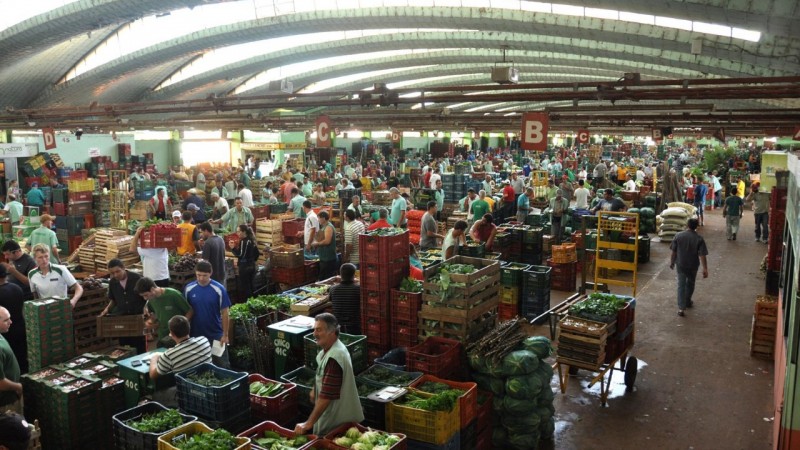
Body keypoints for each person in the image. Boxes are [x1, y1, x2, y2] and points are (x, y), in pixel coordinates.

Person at [294, 313, 364, 436]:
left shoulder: (335, 357)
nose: (314, 334)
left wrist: (308, 423)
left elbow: (326, 396)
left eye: (319, 330)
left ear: (332, 332)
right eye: (314, 329)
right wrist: (315, 388)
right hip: (332, 417)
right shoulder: (329, 351)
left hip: (337, 423)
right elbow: (324, 378)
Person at [148, 315, 211, 406]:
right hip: (207, 386)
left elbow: (153, 375)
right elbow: (189, 352)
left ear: (172, 334)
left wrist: (154, 358)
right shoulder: (204, 340)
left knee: (156, 396)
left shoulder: (170, 355)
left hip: (189, 394)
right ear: (189, 328)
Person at [185, 260, 232, 368]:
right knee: (200, 366)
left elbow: (225, 313)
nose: (201, 278)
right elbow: (187, 311)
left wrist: (225, 335)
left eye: (204, 275)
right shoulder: (189, 289)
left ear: (210, 273)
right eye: (198, 275)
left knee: (222, 365)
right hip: (195, 336)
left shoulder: (219, 289)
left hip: (216, 335)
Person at [101, 259, 146, 353]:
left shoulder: (137, 279)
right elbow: (113, 300)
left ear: (124, 268)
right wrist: (106, 310)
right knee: (124, 346)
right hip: (122, 319)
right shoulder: (113, 282)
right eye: (112, 273)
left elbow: (146, 297)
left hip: (137, 317)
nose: (116, 275)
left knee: (139, 345)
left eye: (118, 271)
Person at [136, 277, 192, 349]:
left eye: (146, 295)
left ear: (152, 289)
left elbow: (190, 311)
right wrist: (151, 322)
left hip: (178, 336)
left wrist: (181, 327)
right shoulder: (151, 300)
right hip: (163, 336)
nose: (145, 298)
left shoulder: (173, 295)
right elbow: (154, 314)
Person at [669, 218, 709, 317]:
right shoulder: (699, 238)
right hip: (693, 265)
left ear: (687, 225)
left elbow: (674, 251)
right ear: (697, 226)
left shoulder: (678, 236)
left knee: (681, 285)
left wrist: (672, 262)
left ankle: (681, 308)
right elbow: (702, 255)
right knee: (691, 283)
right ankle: (687, 301)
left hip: (681, 264)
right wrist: (705, 268)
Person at [0, 267, 26, 374]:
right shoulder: (17, 288)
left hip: (5, 331)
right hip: (20, 328)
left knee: (8, 362)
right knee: (22, 357)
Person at [0, 308, 22, 414]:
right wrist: (18, 387)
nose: (11, 322)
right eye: (6, 320)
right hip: (6, 403)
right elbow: (1, 383)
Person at [328, 265, 360, 335]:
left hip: (338, 325)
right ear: (354, 275)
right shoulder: (358, 289)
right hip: (355, 325)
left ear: (340, 275)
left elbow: (330, 301)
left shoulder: (333, 288)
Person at [230, 224, 259, 301]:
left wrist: (233, 248)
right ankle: (256, 302)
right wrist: (252, 261)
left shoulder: (244, 241)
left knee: (246, 287)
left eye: (239, 231)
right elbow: (257, 254)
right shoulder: (251, 240)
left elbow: (240, 255)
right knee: (252, 285)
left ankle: (249, 303)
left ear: (244, 232)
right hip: (252, 266)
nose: (237, 233)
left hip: (245, 267)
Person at [311, 211, 338, 280]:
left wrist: (316, 244)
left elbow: (327, 241)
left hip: (328, 258)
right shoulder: (324, 227)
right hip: (324, 257)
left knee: (326, 278)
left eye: (319, 218)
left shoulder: (328, 227)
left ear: (323, 218)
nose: (318, 220)